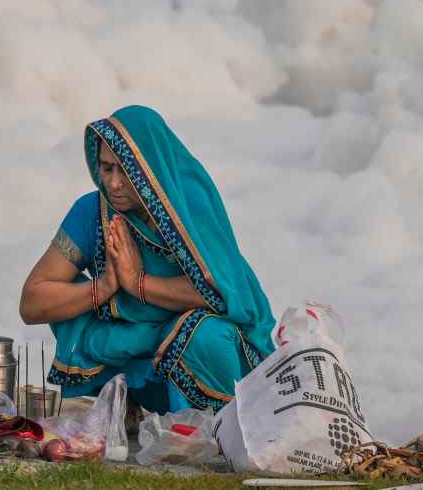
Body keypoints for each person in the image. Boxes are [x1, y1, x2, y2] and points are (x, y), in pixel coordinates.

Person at [19, 105, 275, 414]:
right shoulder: (92, 212)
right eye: (105, 167)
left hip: (209, 363)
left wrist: (137, 283)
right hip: (129, 349)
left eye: (124, 171)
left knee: (202, 333)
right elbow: (32, 302)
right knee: (66, 298)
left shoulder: (189, 210)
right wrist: (105, 286)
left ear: (150, 168)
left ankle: (205, 429)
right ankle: (117, 407)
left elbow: (220, 294)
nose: (113, 183)